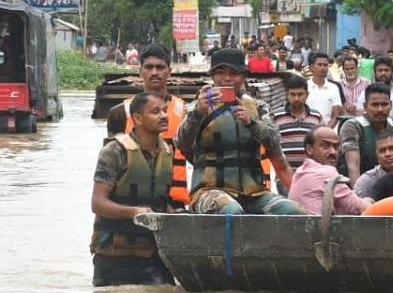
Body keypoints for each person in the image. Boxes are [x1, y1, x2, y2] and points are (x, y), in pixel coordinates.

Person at [175, 48, 305, 215]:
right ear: (212, 76)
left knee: (293, 211)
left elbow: (274, 143)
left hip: (254, 193)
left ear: (243, 76)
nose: (227, 78)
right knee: (232, 211)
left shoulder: (258, 107)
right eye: (221, 73)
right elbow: (181, 142)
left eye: (234, 73)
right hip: (208, 191)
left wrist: (252, 123)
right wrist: (198, 113)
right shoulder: (195, 107)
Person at [90, 92, 176, 287]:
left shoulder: (167, 152)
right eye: (155, 112)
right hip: (115, 256)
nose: (163, 115)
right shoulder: (114, 151)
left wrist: (171, 213)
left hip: (154, 254)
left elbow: (159, 198)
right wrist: (134, 212)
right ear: (137, 118)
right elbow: (97, 203)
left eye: (164, 110)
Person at [107, 43, 191, 208]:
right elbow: (108, 170)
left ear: (169, 72)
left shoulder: (187, 114)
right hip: (129, 205)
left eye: (160, 67)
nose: (154, 72)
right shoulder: (119, 114)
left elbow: (199, 162)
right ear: (140, 71)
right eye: (149, 67)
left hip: (174, 205)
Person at [288, 126, 372, 215]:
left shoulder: (301, 171)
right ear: (309, 149)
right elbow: (359, 207)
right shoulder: (326, 172)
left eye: (336, 147)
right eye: (325, 145)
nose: (332, 152)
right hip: (316, 228)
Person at [272, 75, 324, 194]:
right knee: (291, 210)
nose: (296, 98)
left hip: (312, 176)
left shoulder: (316, 117)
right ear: (287, 94)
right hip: (285, 176)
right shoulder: (275, 116)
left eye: (300, 94)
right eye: (293, 94)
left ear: (307, 95)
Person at [339, 82, 393, 178]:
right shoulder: (353, 127)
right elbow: (353, 166)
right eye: (375, 105)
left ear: (391, 105)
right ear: (365, 106)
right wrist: (357, 191)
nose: (380, 109)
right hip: (356, 181)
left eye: (384, 104)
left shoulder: (392, 125)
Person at [354, 129, 393, 198]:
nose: (387, 154)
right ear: (376, 155)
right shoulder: (367, 181)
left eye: (392, 148)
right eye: (382, 150)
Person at [306, 51, 344, 128]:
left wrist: (326, 131)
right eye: (319, 65)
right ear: (311, 67)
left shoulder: (334, 88)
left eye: (325, 65)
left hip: (328, 131)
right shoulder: (305, 87)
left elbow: (336, 115)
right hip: (307, 132)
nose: (322, 68)